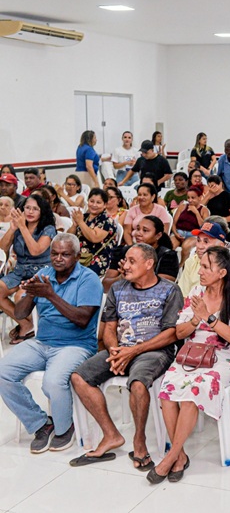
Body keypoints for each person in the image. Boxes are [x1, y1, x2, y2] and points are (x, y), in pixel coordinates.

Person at [69, 243, 183, 469]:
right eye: (125, 260)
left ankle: (139, 441)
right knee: (79, 378)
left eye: (132, 261)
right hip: (121, 349)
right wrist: (115, 351)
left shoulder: (170, 290)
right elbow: (109, 328)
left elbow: (172, 333)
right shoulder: (118, 288)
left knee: (138, 384)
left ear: (149, 264)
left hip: (154, 351)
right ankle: (111, 434)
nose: (125, 266)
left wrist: (133, 351)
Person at [151, 246, 230, 483]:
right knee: (167, 391)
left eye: (206, 267)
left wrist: (209, 317)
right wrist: (195, 319)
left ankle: (171, 457)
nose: (200, 272)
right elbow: (179, 332)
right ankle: (180, 456)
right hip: (192, 355)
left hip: (223, 359)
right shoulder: (196, 292)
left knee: (191, 394)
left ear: (222, 272)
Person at [0, 234, 102, 454]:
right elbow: (20, 314)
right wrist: (30, 294)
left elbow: (82, 319)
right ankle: (41, 424)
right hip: (42, 342)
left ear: (77, 256)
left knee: (53, 382)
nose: (58, 258)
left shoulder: (88, 279)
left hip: (76, 345)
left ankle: (65, 428)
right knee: (3, 372)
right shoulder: (43, 275)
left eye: (65, 254)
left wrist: (50, 294)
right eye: (54, 253)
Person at [0, 194, 57, 344]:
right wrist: (12, 229)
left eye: (35, 209)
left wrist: (23, 227)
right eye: (27, 208)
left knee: (21, 296)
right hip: (19, 271)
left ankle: (35, 326)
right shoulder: (18, 225)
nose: (30, 212)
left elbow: (35, 250)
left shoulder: (48, 229)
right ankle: (26, 324)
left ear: (42, 211)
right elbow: (2, 248)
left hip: (41, 272)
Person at [104, 215, 180, 291]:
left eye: (145, 230)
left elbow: (163, 288)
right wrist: (121, 278)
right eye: (137, 229)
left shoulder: (167, 256)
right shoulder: (123, 251)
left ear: (158, 235)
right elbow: (105, 286)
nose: (138, 233)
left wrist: (135, 275)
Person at [177, 220, 230, 297]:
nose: (199, 246)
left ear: (220, 246)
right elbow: (183, 294)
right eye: (198, 240)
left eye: (206, 242)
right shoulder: (191, 261)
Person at [67, 188, 117, 277]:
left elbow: (94, 238)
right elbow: (68, 238)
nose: (94, 205)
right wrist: (74, 225)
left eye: (98, 202)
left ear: (105, 205)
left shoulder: (107, 221)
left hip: (96, 258)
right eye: (92, 201)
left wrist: (80, 222)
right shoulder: (84, 217)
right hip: (79, 256)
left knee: (79, 275)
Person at [170, 184, 208, 263]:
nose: (190, 200)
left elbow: (204, 227)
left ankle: (182, 266)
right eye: (188, 197)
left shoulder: (204, 210)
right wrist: (176, 233)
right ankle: (170, 265)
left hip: (193, 234)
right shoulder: (182, 206)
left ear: (200, 197)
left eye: (193, 198)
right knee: (170, 245)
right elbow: (173, 223)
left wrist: (196, 213)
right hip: (179, 232)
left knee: (186, 246)